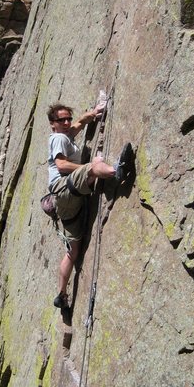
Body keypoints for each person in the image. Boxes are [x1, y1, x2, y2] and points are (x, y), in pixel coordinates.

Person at [47, 102, 132, 309]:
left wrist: (93, 114)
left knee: (72, 251)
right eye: (61, 120)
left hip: (65, 203)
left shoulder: (65, 134)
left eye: (68, 118)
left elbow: (78, 124)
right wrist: (89, 167)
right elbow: (61, 165)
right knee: (93, 168)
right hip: (64, 187)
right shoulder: (58, 138)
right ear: (52, 124)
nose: (67, 122)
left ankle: (61, 294)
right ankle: (115, 171)